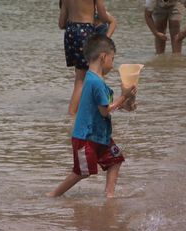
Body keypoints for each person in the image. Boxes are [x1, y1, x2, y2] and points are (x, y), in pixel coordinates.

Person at [47, 34, 137, 198]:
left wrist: (128, 100)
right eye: (112, 58)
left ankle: (109, 195)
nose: (113, 63)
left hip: (100, 136)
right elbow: (105, 111)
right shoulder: (95, 82)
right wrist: (123, 96)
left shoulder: (97, 81)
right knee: (82, 171)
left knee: (115, 160)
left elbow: (108, 107)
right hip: (86, 137)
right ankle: (53, 194)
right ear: (104, 57)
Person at [59, 0, 115, 115]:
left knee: (80, 77)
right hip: (85, 31)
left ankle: (80, 110)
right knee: (82, 79)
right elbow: (103, 16)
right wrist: (110, 20)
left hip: (71, 32)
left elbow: (61, 24)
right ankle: (72, 114)